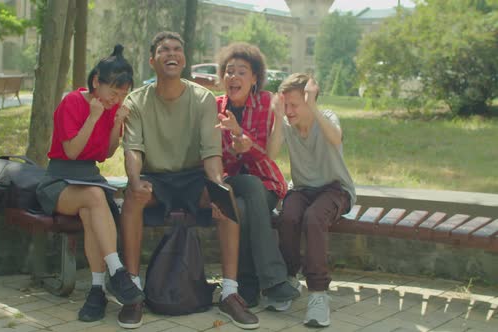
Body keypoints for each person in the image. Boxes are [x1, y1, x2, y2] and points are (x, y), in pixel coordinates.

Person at [119, 31, 259, 330]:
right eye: (164, 50)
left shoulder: (203, 99)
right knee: (132, 196)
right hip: (156, 177)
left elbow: (211, 153)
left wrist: (217, 187)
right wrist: (134, 181)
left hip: (193, 177)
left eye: (177, 49)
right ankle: (132, 292)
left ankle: (230, 292)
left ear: (183, 58)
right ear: (152, 60)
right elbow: (133, 150)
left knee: (226, 195)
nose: (172, 53)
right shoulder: (136, 101)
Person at [35, 45, 144, 324]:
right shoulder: (71, 103)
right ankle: (117, 271)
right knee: (95, 196)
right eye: (113, 92)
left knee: (91, 209)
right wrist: (94, 116)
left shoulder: (112, 109)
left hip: (88, 180)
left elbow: (105, 154)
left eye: (123, 94)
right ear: (97, 81)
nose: (117, 99)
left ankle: (97, 289)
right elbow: (71, 151)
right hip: (59, 181)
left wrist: (116, 125)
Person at [214, 42, 300, 311]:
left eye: (242, 72)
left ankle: (247, 287)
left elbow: (267, 155)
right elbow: (215, 157)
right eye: (229, 71)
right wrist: (234, 144)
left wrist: (244, 141)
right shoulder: (215, 107)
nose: (234, 77)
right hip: (231, 181)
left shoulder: (264, 102)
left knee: (241, 208)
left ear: (254, 79)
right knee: (243, 190)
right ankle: (274, 280)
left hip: (265, 182)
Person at [267, 73, 356, 328]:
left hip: (335, 189)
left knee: (314, 218)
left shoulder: (326, 118)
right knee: (288, 216)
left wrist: (313, 106)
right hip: (303, 189)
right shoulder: (285, 123)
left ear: (309, 101)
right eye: (286, 105)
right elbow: (270, 154)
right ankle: (289, 279)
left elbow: (336, 138)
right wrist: (276, 117)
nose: (290, 111)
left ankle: (318, 294)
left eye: (295, 104)